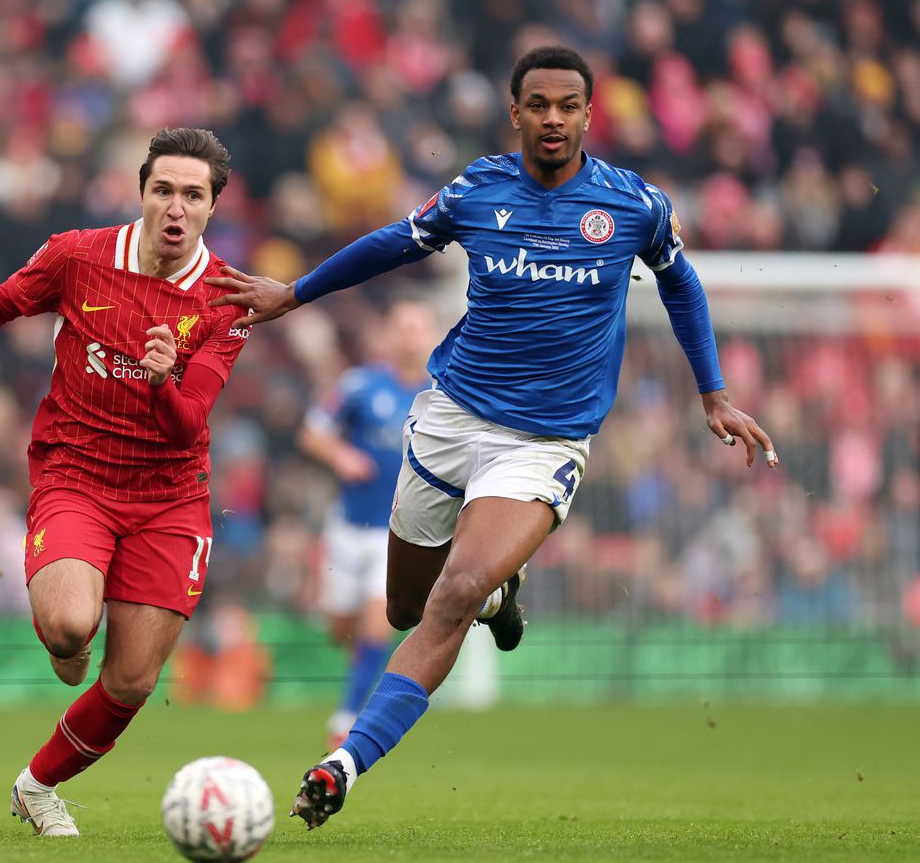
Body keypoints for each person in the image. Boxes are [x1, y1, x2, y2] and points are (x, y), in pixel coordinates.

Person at [207, 46, 779, 828]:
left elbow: (679, 279)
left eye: (568, 105)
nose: (553, 118)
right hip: (448, 418)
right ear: (516, 112)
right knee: (404, 606)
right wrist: (296, 292)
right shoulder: (477, 189)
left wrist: (711, 390)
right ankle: (502, 588)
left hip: (544, 442)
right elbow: (394, 241)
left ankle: (343, 763)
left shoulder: (632, 204)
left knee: (454, 593)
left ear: (587, 113)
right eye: (537, 104)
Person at [0, 127, 250, 839]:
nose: (176, 207)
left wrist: (161, 383)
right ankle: (68, 637)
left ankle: (37, 784)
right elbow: (2, 300)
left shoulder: (225, 299)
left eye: (193, 194)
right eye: (164, 190)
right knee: (69, 625)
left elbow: (188, 425)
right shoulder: (79, 254)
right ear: (142, 191)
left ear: (214, 205)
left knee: (131, 681)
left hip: (171, 494)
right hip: (78, 473)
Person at [298, 300, 435, 750]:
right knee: (342, 628)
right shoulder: (359, 384)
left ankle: (346, 718)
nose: (410, 337)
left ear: (430, 334)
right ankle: (360, 675)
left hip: (397, 531)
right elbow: (313, 431)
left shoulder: (444, 392)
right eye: (403, 328)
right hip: (347, 527)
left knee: (379, 623)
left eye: (418, 328)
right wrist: (342, 455)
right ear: (390, 336)